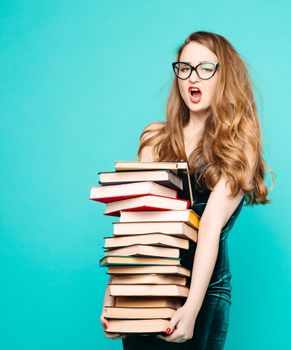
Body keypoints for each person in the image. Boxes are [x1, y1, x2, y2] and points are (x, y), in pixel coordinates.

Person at [99, 31, 274, 349]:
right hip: (151, 284)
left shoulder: (237, 146)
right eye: (184, 68)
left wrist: (191, 308)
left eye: (206, 68)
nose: (193, 77)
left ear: (225, 76)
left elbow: (209, 225)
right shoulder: (155, 139)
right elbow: (138, 222)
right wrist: (115, 295)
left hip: (205, 291)